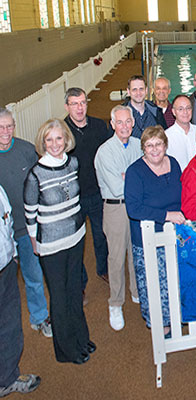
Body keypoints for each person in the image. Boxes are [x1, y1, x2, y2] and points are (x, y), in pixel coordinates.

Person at [24, 119, 94, 364]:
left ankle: (81, 337)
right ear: (43, 142)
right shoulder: (36, 174)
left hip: (76, 237)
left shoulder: (73, 163)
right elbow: (30, 212)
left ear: (66, 140)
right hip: (51, 245)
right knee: (60, 295)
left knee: (75, 290)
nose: (55, 144)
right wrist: (34, 241)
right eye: (49, 139)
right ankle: (66, 349)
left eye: (59, 138)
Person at [125, 126, 185, 335]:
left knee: (176, 278)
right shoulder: (135, 172)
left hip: (175, 235)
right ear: (143, 149)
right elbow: (133, 208)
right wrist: (167, 216)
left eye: (158, 144)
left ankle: (178, 315)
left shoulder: (174, 164)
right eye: (149, 145)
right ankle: (160, 323)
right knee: (155, 283)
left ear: (165, 145)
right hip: (148, 238)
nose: (155, 149)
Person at [0, 108, 51, 338]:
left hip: (26, 228)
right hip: (2, 235)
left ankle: (39, 317)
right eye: (1, 127)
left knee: (33, 275)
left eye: (9, 126)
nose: (6, 132)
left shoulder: (26, 150)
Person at [94, 105, 141, 331]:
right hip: (115, 208)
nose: (124, 126)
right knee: (116, 257)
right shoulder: (105, 151)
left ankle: (135, 291)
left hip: (136, 206)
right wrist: (132, 178)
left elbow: (144, 176)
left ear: (133, 122)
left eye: (128, 121)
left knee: (135, 251)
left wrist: (127, 176)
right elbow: (115, 187)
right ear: (112, 124)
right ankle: (115, 302)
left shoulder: (137, 144)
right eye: (119, 122)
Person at [64, 87, 110, 287]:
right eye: (74, 104)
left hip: (98, 192)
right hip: (73, 196)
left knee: (101, 235)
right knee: (76, 242)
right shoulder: (62, 131)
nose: (79, 108)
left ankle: (103, 269)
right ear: (67, 106)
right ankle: (80, 282)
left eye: (82, 102)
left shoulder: (100, 126)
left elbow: (109, 154)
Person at [0, 185, 41, 397]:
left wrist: (13, 254)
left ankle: (6, 378)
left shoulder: (0, 190)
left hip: (6, 266)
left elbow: (7, 223)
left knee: (9, 325)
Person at [165, 94, 196, 171]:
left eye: (188, 108)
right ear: (173, 112)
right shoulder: (167, 137)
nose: (185, 112)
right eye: (180, 109)